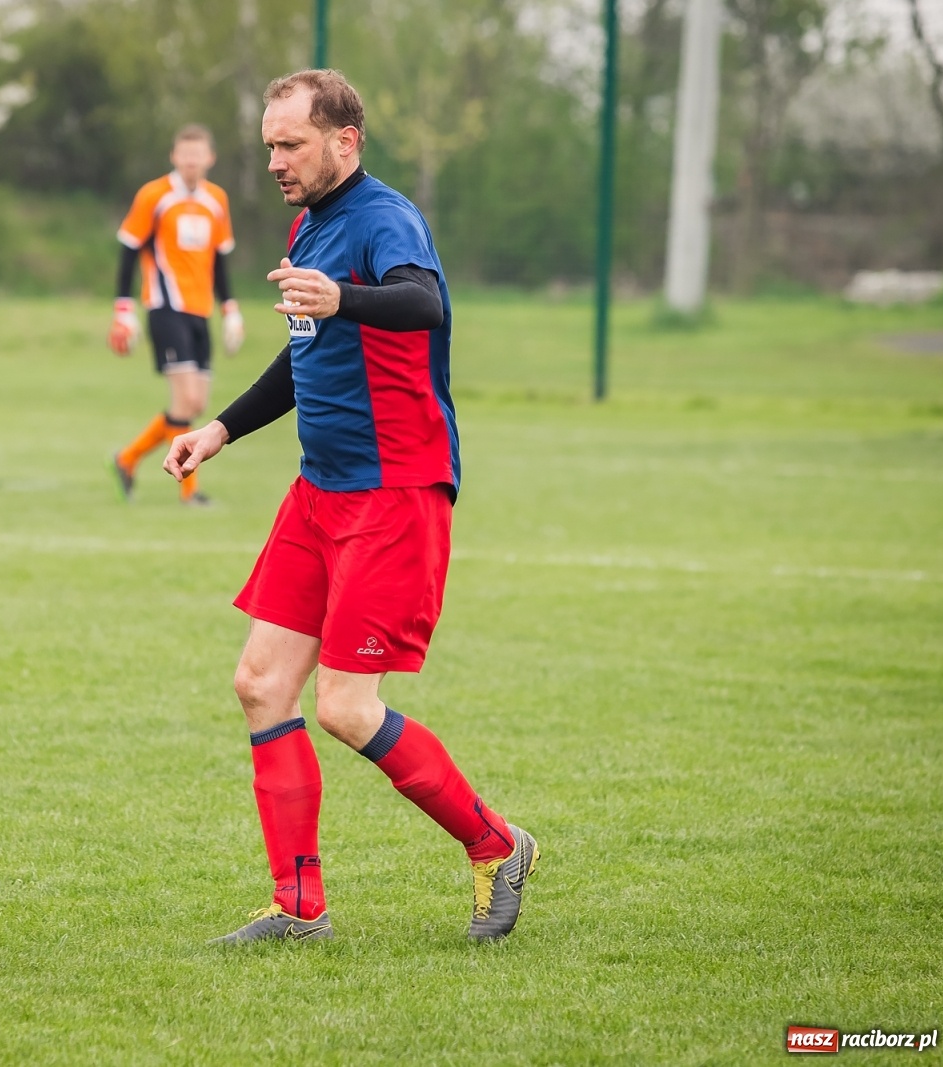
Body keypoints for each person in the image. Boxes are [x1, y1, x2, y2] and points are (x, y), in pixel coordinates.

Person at [163, 70, 539, 944]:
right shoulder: (310, 225)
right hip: (319, 491)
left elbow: (425, 302)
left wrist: (344, 298)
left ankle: (497, 846)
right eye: (268, 146)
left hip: (395, 492)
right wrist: (217, 430)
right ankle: (299, 909)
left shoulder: (381, 220)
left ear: (345, 141)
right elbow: (305, 362)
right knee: (260, 685)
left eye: (291, 145)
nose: (276, 162)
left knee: (346, 706)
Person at [108, 125, 246, 507]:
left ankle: (127, 458)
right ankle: (190, 492)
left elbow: (220, 260)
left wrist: (230, 309)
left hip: (199, 312)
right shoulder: (154, 195)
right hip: (165, 308)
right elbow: (128, 249)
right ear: (174, 156)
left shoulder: (216, 199)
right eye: (184, 153)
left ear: (209, 158)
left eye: (197, 153)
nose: (190, 160)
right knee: (185, 402)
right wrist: (124, 308)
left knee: (195, 405)